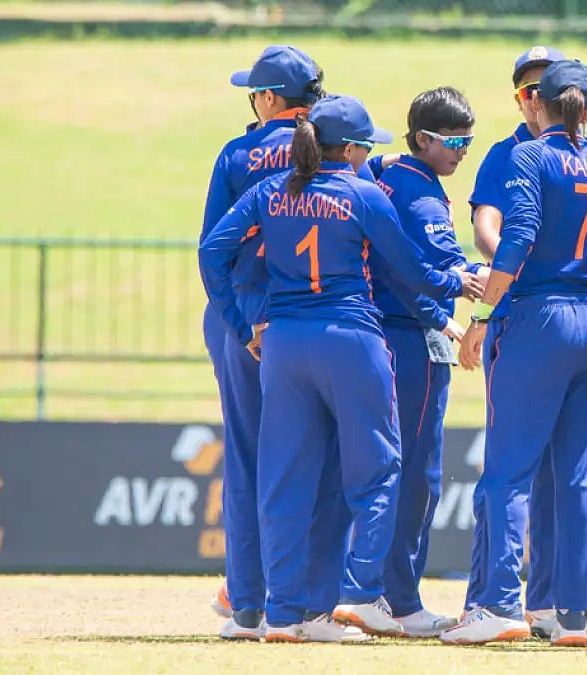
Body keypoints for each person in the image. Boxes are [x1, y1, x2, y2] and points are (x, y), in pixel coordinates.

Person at [199, 95, 464, 643]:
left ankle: (284, 614)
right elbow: (410, 270)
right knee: (378, 472)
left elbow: (212, 251)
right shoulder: (364, 194)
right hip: (350, 340)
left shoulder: (270, 192)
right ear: (349, 150)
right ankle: (356, 595)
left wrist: (241, 325)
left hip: (284, 345)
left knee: (283, 480)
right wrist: (456, 283)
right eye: (366, 148)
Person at [443, 59, 587, 647]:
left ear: (538, 103)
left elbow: (515, 240)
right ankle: (570, 615)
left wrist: (482, 315)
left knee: (508, 470)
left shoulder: (529, 156)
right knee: (579, 477)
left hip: (539, 318)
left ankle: (497, 603)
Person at [198, 44, 328, 641]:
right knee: (314, 458)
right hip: (319, 313)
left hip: (250, 311)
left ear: (271, 98)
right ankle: (303, 603)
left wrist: (234, 321)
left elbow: (213, 250)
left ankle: (247, 606)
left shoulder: (237, 153)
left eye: (254, 93)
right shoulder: (331, 147)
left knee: (248, 456)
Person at [372, 86, 486, 638]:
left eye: (469, 141)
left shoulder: (385, 173)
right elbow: (450, 271)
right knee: (417, 475)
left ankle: (362, 591)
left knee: (376, 467)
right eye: (454, 142)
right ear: (423, 139)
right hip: (410, 343)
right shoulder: (420, 193)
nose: (462, 152)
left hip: (385, 332)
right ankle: (398, 600)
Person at [462, 45, 567, 639]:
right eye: (527, 91)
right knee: (522, 463)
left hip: (540, 314)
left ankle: (541, 602)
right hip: (526, 309)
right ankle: (516, 600)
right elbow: (486, 227)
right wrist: (509, 269)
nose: (535, 100)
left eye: (545, 89)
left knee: (555, 470)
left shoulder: (582, 151)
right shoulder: (505, 154)